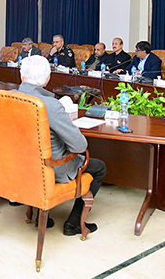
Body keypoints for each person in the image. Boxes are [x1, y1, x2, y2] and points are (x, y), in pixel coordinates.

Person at [17, 55, 106, 235]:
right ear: (48, 78)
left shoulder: (7, 97)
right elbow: (80, 146)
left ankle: (40, 215)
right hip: (49, 167)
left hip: (19, 162)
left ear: (22, 77)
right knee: (99, 167)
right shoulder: (50, 105)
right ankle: (73, 224)